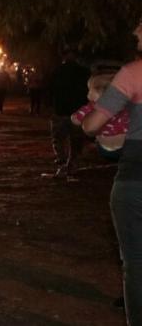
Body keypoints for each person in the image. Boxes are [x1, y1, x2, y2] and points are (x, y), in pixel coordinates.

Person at [82, 21, 142, 325]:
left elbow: (93, 124)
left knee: (136, 263)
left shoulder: (133, 73)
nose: (135, 34)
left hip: (136, 180)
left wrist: (84, 123)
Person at [49, 49, 90, 178]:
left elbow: (50, 89)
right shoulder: (84, 72)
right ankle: (72, 165)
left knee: (59, 138)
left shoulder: (57, 71)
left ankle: (62, 162)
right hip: (78, 110)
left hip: (61, 110)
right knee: (76, 139)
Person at [71, 73, 128, 161]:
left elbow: (77, 119)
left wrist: (74, 118)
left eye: (90, 90)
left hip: (106, 145)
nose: (88, 94)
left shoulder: (93, 106)